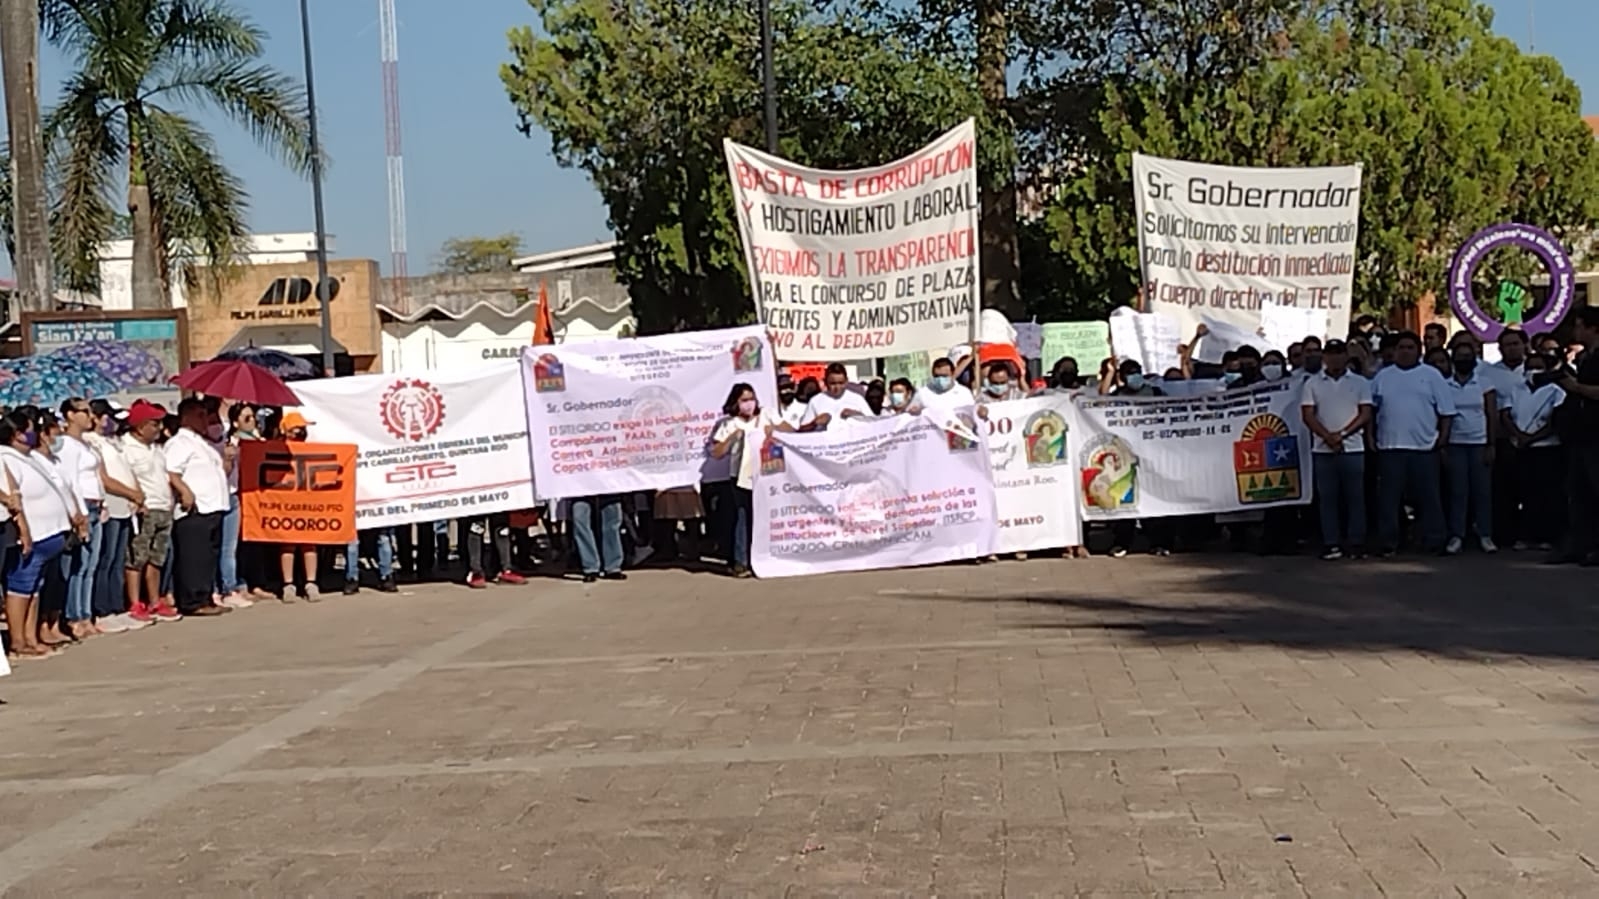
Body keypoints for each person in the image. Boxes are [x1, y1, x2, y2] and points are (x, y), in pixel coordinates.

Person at [1, 408, 79, 659]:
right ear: (16, 433)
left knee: (34, 589)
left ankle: (31, 636)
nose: (34, 432)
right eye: (29, 429)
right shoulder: (6, 457)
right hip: (32, 533)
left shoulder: (29, 457)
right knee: (21, 587)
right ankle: (18, 640)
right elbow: (14, 499)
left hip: (50, 534)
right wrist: (24, 529)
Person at [1371, 331, 1456, 556]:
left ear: (1419, 350)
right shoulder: (1382, 377)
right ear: (1395, 350)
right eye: (1402, 347)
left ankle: (1434, 540)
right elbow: (1371, 411)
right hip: (1390, 448)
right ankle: (1389, 542)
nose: (1405, 351)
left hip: (1424, 449)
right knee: (1389, 500)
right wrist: (1371, 438)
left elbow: (1447, 412)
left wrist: (1443, 439)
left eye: (1410, 347)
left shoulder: (1432, 375)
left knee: (1429, 498)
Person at [1301, 340, 1373, 560]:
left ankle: (1356, 542)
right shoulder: (1312, 383)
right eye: (1330, 354)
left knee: (1355, 498)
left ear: (1346, 356)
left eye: (1339, 353)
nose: (1335, 358)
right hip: (1322, 449)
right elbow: (1308, 415)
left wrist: (1341, 435)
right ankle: (1331, 542)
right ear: (1324, 356)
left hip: (1353, 448)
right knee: (1328, 498)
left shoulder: (1360, 382)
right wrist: (1327, 437)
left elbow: (1365, 413)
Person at [165, 397, 231, 617]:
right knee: (193, 556)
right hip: (195, 508)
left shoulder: (203, 443)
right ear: (187, 417)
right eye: (200, 415)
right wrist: (185, 491)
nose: (205, 419)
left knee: (208, 556)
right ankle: (192, 600)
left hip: (214, 506)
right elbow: (172, 471)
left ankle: (206, 595)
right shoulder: (179, 442)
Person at [710, 382, 781, 577]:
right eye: (744, 400)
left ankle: (765, 557)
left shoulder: (766, 416)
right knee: (743, 516)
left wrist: (773, 430)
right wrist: (733, 437)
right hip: (739, 477)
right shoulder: (729, 423)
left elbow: (789, 430)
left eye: (751, 399)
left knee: (763, 517)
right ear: (736, 403)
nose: (749, 404)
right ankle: (741, 560)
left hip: (767, 473)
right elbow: (716, 452)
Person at [86, 400, 145, 633]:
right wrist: (131, 492)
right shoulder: (93, 443)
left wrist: (137, 494)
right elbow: (106, 479)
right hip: (110, 506)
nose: (112, 422)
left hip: (125, 508)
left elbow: (127, 471)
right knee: (105, 560)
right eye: (108, 417)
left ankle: (116, 606)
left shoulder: (115, 442)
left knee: (118, 560)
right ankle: (102, 609)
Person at [1550, 307, 1599, 564]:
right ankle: (1580, 545)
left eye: (1580, 326)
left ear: (1593, 328)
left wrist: (1577, 387)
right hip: (1581, 434)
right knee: (1578, 492)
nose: (1575, 331)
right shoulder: (1585, 358)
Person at [120, 401, 175, 622]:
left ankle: (155, 601)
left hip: (164, 507)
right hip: (145, 509)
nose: (159, 428)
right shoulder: (125, 448)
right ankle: (135, 602)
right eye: (154, 424)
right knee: (137, 558)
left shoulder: (157, 449)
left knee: (156, 558)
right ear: (140, 426)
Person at [1442, 341, 1498, 555]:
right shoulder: (1445, 385)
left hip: (1479, 443)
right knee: (1458, 491)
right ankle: (1457, 535)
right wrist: (1444, 445)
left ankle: (1485, 534)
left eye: (1468, 356)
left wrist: (1491, 444)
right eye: (1460, 356)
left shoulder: (1485, 383)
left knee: (1482, 491)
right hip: (1455, 443)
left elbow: (1491, 414)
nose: (1464, 360)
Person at [1506, 352, 1566, 551]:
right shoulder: (1517, 388)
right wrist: (1519, 436)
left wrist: (1532, 438)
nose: (1534, 371)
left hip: (1547, 449)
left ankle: (1547, 535)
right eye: (1530, 366)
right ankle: (1525, 534)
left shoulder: (1556, 390)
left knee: (1547, 495)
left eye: (1538, 366)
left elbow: (1555, 421)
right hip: (1521, 448)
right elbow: (1506, 414)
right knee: (1524, 493)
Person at [57, 398, 104, 639]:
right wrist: (79, 513)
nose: (89, 416)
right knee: (77, 565)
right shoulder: (65, 445)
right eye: (84, 411)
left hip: (95, 504)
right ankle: (74, 616)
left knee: (90, 564)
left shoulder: (85, 445)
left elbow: (95, 477)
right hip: (82, 506)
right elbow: (70, 481)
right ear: (70, 415)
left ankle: (86, 614)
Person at [799, 363, 874, 431]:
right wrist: (815, 423)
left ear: (846, 381)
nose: (837, 387)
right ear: (825, 382)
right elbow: (802, 430)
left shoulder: (857, 399)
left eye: (841, 383)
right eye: (833, 383)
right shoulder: (815, 401)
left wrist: (857, 414)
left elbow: (874, 423)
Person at [570, 494, 626, 583]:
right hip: (580, 489)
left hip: (609, 488)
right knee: (579, 520)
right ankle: (590, 567)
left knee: (612, 524)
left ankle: (613, 566)